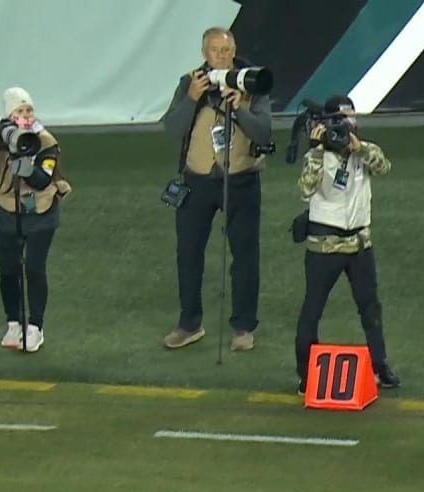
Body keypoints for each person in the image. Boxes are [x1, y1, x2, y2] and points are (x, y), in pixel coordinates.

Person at [160, 27, 272, 351]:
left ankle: (243, 327)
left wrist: (240, 109)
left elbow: (264, 133)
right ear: (204, 53)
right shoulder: (189, 83)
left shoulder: (252, 83)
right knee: (188, 253)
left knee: (245, 255)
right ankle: (189, 323)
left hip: (241, 180)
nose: (221, 56)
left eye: (226, 50)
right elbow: (172, 128)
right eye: (215, 50)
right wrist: (192, 98)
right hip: (197, 180)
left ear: (234, 52)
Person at [294, 95, 399, 393]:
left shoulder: (362, 150)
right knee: (313, 308)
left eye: (350, 118)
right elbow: (305, 190)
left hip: (359, 243)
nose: (347, 124)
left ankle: (380, 366)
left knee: (370, 307)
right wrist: (316, 150)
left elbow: (384, 167)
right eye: (340, 120)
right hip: (325, 244)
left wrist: (358, 147)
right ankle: (305, 374)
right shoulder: (317, 156)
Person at [0, 87, 72, 354]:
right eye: (19, 111)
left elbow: (42, 179)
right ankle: (14, 322)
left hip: (41, 214)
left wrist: (25, 163)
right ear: (9, 115)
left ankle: (35, 327)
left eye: (29, 110)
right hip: (7, 213)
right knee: (8, 271)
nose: (26, 116)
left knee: (35, 270)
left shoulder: (45, 141)